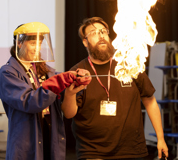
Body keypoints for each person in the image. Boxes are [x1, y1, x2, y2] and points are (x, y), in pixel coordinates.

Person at [62, 17, 168, 160]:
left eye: (103, 32)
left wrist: (160, 138)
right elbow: (69, 114)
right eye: (93, 33)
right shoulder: (78, 72)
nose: (101, 36)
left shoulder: (129, 64)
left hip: (131, 149)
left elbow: (150, 100)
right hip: (93, 151)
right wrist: (69, 93)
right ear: (85, 42)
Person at [0, 22, 91, 160]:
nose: (37, 49)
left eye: (39, 44)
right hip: (27, 137)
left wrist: (77, 77)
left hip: (49, 131)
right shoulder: (7, 72)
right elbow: (29, 101)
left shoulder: (42, 69)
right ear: (19, 43)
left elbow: (60, 84)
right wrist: (61, 81)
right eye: (32, 44)